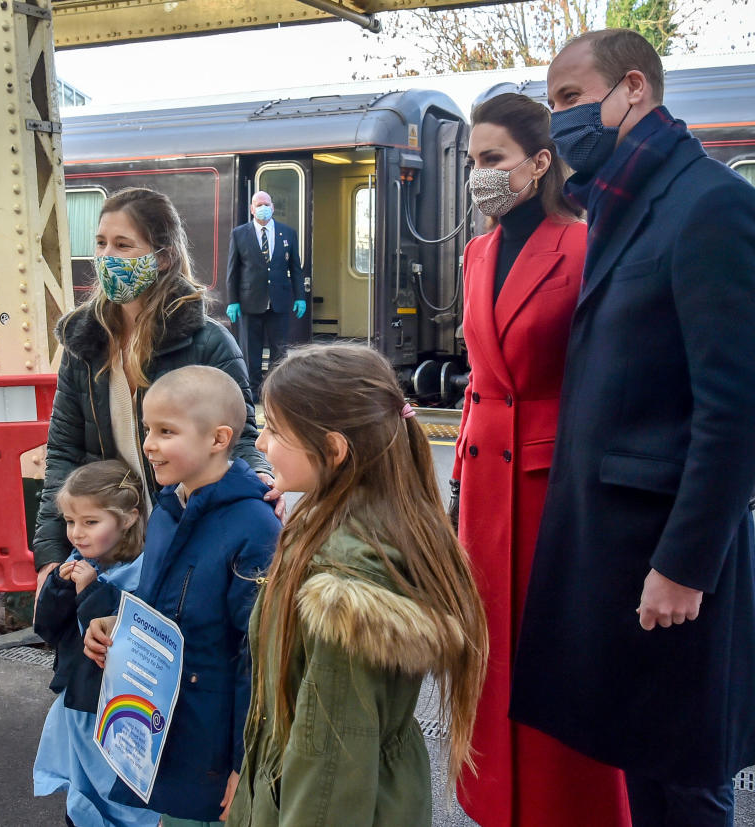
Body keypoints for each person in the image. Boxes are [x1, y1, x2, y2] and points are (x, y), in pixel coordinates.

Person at [509, 30, 755, 827]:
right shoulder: (621, 202)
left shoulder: (712, 205)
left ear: (633, 88)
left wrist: (685, 564)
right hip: (616, 546)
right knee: (643, 757)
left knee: (686, 772)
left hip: (665, 557)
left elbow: (737, 409)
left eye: (569, 98)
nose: (559, 120)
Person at [451, 92, 630, 827]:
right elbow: (477, 379)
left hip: (558, 487)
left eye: (492, 160)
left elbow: (610, 373)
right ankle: (494, 803)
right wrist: (457, 479)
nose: (479, 176)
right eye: (472, 161)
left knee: (561, 661)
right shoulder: (478, 250)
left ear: (541, 162)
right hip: (486, 484)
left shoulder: (586, 246)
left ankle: (570, 809)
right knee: (486, 657)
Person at [226, 343, 489, 826]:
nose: (260, 444)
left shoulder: (343, 588)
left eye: (275, 431)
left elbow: (328, 767)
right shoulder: (357, 526)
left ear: (333, 449)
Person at [34, 187, 275, 596]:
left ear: (162, 257)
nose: (107, 257)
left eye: (123, 245)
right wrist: (51, 552)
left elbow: (240, 439)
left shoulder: (208, 342)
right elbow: (63, 451)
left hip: (182, 541)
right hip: (109, 548)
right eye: (101, 243)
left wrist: (264, 480)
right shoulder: (84, 342)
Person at [82, 365, 281, 826]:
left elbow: (259, 659)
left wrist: (242, 764)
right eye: (148, 428)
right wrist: (118, 625)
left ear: (218, 438)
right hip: (165, 728)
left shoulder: (255, 529)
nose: (148, 444)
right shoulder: (170, 508)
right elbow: (159, 603)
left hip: (211, 742)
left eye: (166, 431)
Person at [32, 459, 158, 827]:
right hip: (77, 701)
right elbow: (48, 629)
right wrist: (58, 584)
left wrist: (91, 591)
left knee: (119, 796)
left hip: (115, 709)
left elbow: (115, 641)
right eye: (70, 522)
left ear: (128, 518)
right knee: (80, 790)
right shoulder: (76, 561)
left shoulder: (140, 575)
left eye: (90, 522)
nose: (76, 534)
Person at [224, 191, 306, 393]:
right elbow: (232, 271)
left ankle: (275, 390)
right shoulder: (239, 234)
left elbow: (296, 268)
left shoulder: (288, 233)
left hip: (279, 302)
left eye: (266, 203)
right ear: (252, 209)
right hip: (249, 302)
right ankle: (252, 393)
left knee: (279, 351)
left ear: (273, 207)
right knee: (251, 352)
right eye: (258, 204)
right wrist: (232, 301)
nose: (263, 207)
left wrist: (300, 297)